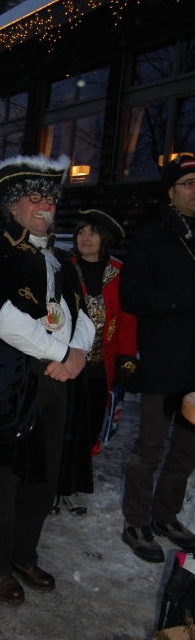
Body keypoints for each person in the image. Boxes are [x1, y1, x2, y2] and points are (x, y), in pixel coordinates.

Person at [0, 154, 95, 605]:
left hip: (58, 378)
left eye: (50, 199)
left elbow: (82, 313)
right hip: (12, 381)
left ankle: (23, 554)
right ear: (13, 206)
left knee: (44, 475)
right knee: (2, 477)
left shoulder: (60, 259)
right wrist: (61, 354)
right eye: (34, 197)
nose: (44, 206)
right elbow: (3, 319)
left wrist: (76, 355)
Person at [121, 154, 195, 562]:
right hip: (163, 362)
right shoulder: (149, 239)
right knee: (149, 447)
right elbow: (132, 296)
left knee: (187, 449)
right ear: (170, 192)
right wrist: (183, 298)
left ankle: (166, 515)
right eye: (189, 183)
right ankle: (136, 521)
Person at [59, 210, 138, 515]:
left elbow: (128, 321)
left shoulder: (119, 272)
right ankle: (53, 486)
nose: (85, 238)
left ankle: (72, 487)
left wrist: (127, 360)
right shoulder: (64, 268)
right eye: (81, 232)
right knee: (62, 427)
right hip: (66, 363)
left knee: (88, 429)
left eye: (92, 233)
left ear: (104, 239)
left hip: (100, 369)